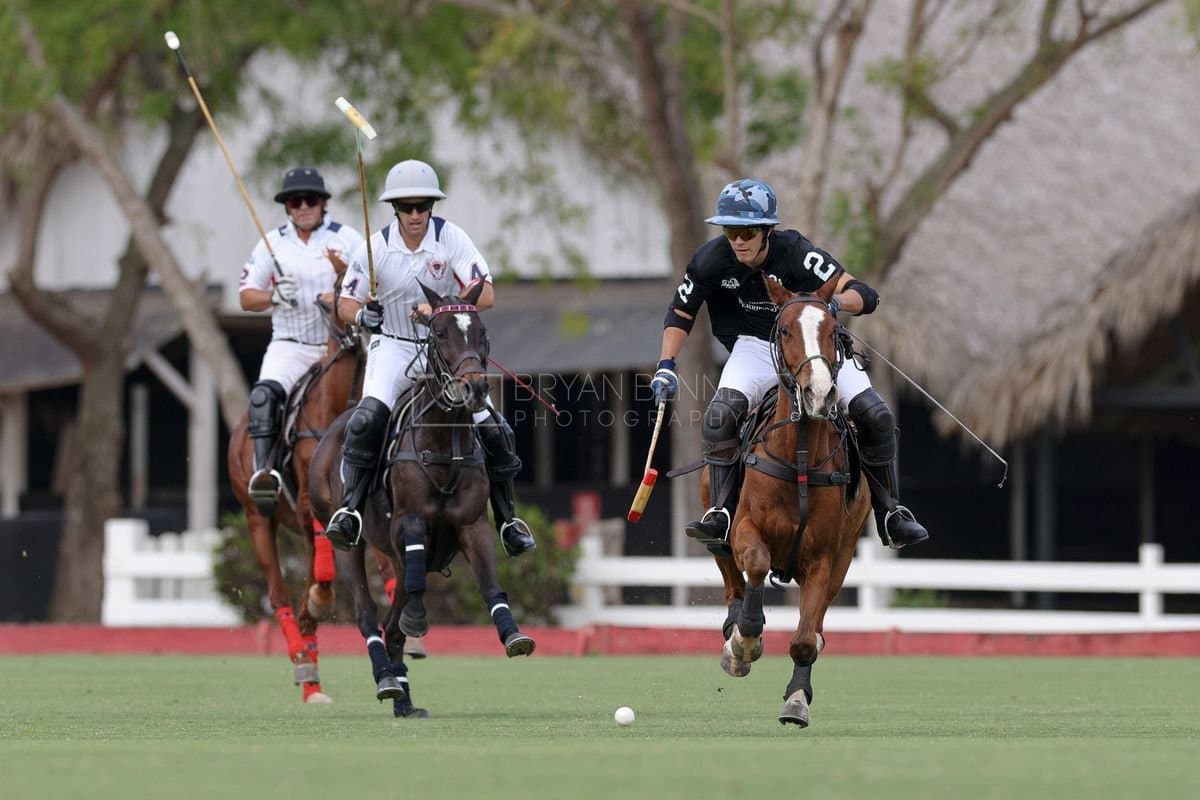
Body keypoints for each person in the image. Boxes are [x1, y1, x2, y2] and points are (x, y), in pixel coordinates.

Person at [650, 178, 929, 550]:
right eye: (731, 231)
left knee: (876, 415)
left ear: (767, 231)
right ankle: (721, 513)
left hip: (814, 346)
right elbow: (681, 312)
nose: (739, 241)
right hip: (755, 347)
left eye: (748, 231)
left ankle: (890, 513)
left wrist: (833, 305)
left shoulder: (796, 252)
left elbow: (865, 294)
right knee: (720, 415)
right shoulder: (709, 260)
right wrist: (666, 363)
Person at [322, 159, 536, 558]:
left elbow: (485, 294)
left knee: (495, 429)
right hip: (394, 346)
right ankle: (350, 509)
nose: (416, 214)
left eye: (423, 206)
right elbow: (345, 304)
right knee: (366, 419)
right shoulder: (376, 247)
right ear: (395, 210)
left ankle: (508, 521)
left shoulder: (451, 239)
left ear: (432, 208)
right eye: (407, 207)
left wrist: (440, 311)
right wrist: (363, 315)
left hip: (447, 352)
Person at [240, 166, 365, 513]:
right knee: (264, 395)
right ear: (287, 208)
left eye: (311, 199)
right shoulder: (271, 244)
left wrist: (344, 276)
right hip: (291, 345)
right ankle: (265, 471)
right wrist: (274, 297)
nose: (304, 206)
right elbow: (246, 297)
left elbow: (375, 286)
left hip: (343, 348)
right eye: (296, 201)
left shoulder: (348, 239)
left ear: (323, 203)